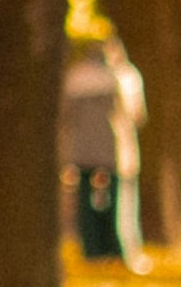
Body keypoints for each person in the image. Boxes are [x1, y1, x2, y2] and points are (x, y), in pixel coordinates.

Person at [62, 37, 144, 262]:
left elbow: (65, 116)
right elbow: (135, 114)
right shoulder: (123, 76)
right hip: (115, 149)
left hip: (81, 149)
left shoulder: (74, 76)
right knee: (120, 200)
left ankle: (91, 247)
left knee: (85, 202)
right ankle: (120, 247)